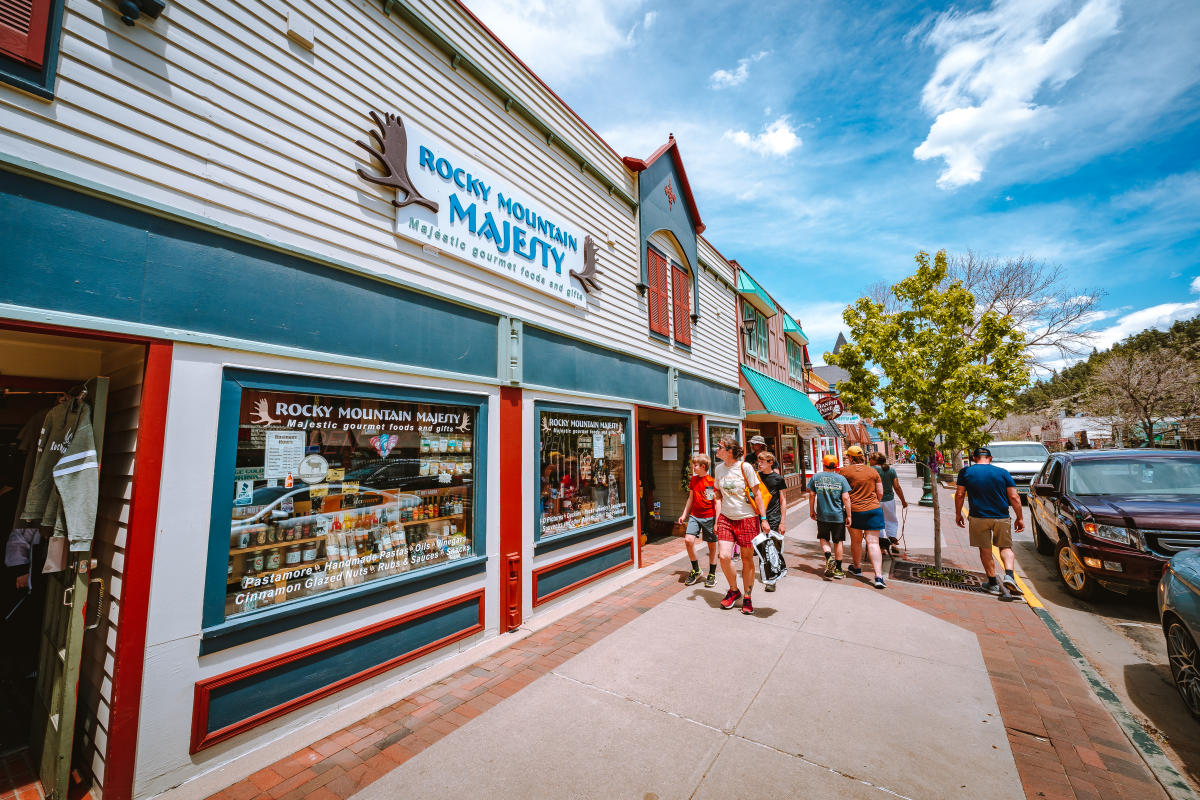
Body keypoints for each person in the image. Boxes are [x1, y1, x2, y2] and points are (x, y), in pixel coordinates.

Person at [955, 447, 1025, 597]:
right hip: (1001, 517)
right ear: (990, 458)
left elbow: (960, 494)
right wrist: (1020, 518)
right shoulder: (1002, 472)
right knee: (1005, 547)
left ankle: (992, 583)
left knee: (985, 549)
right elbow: (1014, 498)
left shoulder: (966, 472)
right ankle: (1009, 576)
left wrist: (958, 514)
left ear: (974, 458)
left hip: (978, 517)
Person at [712, 435, 770, 615]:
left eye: (720, 446)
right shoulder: (719, 469)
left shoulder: (745, 468)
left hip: (747, 518)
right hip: (726, 518)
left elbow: (758, 494)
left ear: (729, 450)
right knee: (723, 556)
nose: (717, 449)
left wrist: (763, 519)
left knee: (746, 559)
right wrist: (717, 519)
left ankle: (747, 596)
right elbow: (718, 496)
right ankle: (733, 589)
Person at [841, 445, 887, 588]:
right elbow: (880, 493)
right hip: (873, 509)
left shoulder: (844, 472)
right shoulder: (873, 472)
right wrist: (873, 503)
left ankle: (857, 568)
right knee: (873, 543)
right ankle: (879, 576)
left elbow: (842, 494)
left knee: (856, 541)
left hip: (854, 511)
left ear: (850, 457)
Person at [678, 453, 719, 588]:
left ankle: (712, 574)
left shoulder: (710, 482)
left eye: (695, 465)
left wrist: (717, 522)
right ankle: (696, 570)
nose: (693, 467)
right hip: (695, 516)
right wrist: (684, 515)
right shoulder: (693, 480)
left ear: (703, 466)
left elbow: (713, 501)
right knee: (688, 540)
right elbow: (691, 498)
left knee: (711, 545)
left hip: (709, 517)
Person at [807, 453, 851, 579]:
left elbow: (811, 494)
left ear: (824, 464)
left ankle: (828, 557)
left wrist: (812, 510)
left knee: (824, 538)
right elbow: (846, 498)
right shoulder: (841, 479)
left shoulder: (816, 477)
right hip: (837, 515)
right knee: (838, 541)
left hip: (822, 515)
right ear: (836, 466)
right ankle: (838, 569)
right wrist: (849, 515)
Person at [755, 451, 788, 591]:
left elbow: (783, 500)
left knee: (771, 547)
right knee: (763, 547)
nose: (759, 463)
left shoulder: (778, 479)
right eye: (759, 461)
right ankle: (771, 572)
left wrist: (783, 521)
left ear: (770, 463)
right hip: (758, 516)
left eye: (763, 461)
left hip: (773, 516)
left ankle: (771, 580)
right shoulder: (756, 477)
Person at [870, 452, 908, 556]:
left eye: (870, 459)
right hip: (889, 500)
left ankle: (882, 547)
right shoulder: (891, 470)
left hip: (875, 500)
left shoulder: (871, 470)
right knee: (891, 521)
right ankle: (893, 543)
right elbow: (897, 487)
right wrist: (903, 501)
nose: (869, 461)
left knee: (878, 523)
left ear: (875, 460)